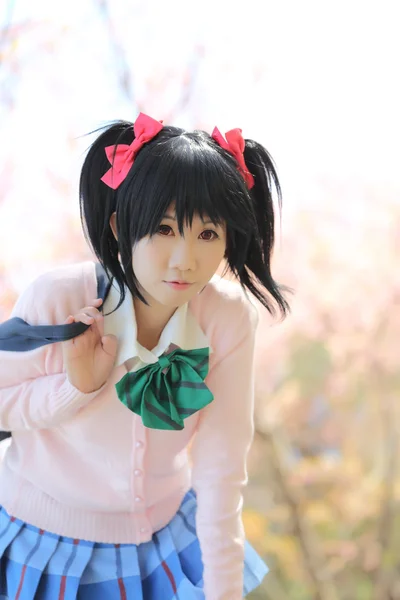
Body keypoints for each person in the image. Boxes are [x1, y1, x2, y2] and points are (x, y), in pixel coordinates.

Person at [0, 112, 290, 599]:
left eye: (207, 235)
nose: (185, 260)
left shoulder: (228, 318)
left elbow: (221, 471)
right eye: (163, 228)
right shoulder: (60, 297)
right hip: (39, 544)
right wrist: (76, 387)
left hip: (161, 547)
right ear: (119, 226)